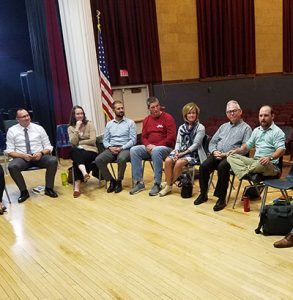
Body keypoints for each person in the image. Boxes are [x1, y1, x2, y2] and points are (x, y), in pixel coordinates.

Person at [194, 100, 252, 211]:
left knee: (222, 167)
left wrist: (230, 153)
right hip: (218, 154)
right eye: (229, 112)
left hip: (233, 157)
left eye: (234, 111)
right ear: (226, 114)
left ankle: (221, 199)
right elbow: (212, 142)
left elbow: (246, 148)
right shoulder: (223, 126)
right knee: (204, 166)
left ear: (240, 112)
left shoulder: (246, 128)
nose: (232, 113)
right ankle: (203, 194)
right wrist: (214, 151)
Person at [6, 108, 58, 203]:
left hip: (39, 156)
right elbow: (9, 151)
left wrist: (41, 153)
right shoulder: (12, 130)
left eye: (27, 115)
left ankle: (49, 188)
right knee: (12, 166)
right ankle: (24, 192)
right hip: (22, 158)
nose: (27, 118)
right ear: (18, 119)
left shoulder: (39, 128)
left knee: (53, 160)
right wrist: (22, 156)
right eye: (23, 116)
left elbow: (48, 146)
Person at [129, 96, 176, 196]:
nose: (156, 109)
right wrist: (147, 145)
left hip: (166, 148)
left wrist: (156, 146)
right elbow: (143, 137)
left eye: (157, 106)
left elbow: (171, 137)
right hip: (150, 148)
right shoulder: (146, 120)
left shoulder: (168, 118)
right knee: (134, 150)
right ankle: (139, 183)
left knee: (156, 151)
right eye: (153, 107)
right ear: (148, 108)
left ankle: (157, 183)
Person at [159, 102, 207, 196]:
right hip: (181, 151)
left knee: (179, 163)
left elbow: (196, 145)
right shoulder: (182, 127)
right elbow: (178, 142)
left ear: (197, 114)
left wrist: (183, 153)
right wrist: (177, 151)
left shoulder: (200, 127)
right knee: (168, 160)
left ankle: (169, 184)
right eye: (189, 113)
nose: (191, 115)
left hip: (194, 153)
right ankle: (169, 183)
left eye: (193, 113)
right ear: (185, 115)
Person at [227, 105, 285, 182]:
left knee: (261, 164)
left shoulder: (277, 132)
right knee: (231, 156)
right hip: (255, 161)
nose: (263, 118)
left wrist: (269, 158)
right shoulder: (256, 131)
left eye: (266, 115)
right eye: (260, 116)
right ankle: (246, 172)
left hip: (270, 165)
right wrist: (237, 150)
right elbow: (247, 146)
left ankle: (241, 171)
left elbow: (282, 149)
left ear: (272, 116)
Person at [95, 101, 136, 193]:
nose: (121, 110)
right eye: (118, 108)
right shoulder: (109, 124)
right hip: (112, 148)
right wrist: (110, 147)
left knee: (121, 159)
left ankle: (119, 181)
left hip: (125, 148)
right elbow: (105, 140)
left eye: (122, 108)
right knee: (99, 160)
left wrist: (122, 147)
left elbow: (133, 140)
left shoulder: (130, 123)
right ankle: (111, 180)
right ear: (114, 110)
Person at [68, 105, 98, 198]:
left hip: (91, 150)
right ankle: (84, 173)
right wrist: (76, 129)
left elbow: (93, 140)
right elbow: (73, 142)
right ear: (74, 115)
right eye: (78, 114)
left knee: (76, 158)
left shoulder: (90, 124)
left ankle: (77, 187)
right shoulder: (71, 128)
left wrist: (80, 142)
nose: (80, 115)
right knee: (74, 151)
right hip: (78, 151)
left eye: (81, 113)